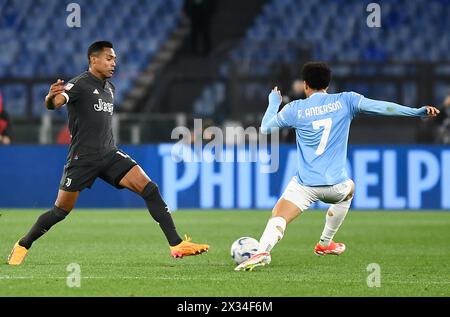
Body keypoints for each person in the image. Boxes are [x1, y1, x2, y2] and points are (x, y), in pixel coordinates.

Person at [7, 41, 209, 265]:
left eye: (115, 59)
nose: (114, 63)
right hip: (82, 158)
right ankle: (23, 244)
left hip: (109, 154)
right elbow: (56, 102)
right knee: (60, 211)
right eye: (109, 58)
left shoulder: (110, 89)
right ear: (94, 60)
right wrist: (49, 98)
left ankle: (176, 244)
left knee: (150, 189)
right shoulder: (80, 84)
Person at [235, 62, 440, 271]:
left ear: (305, 85)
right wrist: (416, 112)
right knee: (350, 188)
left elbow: (266, 128)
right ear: (328, 84)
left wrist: (273, 102)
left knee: (279, 216)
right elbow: (382, 107)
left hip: (305, 185)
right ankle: (325, 243)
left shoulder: (295, 109)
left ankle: (262, 250)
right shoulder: (346, 100)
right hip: (335, 186)